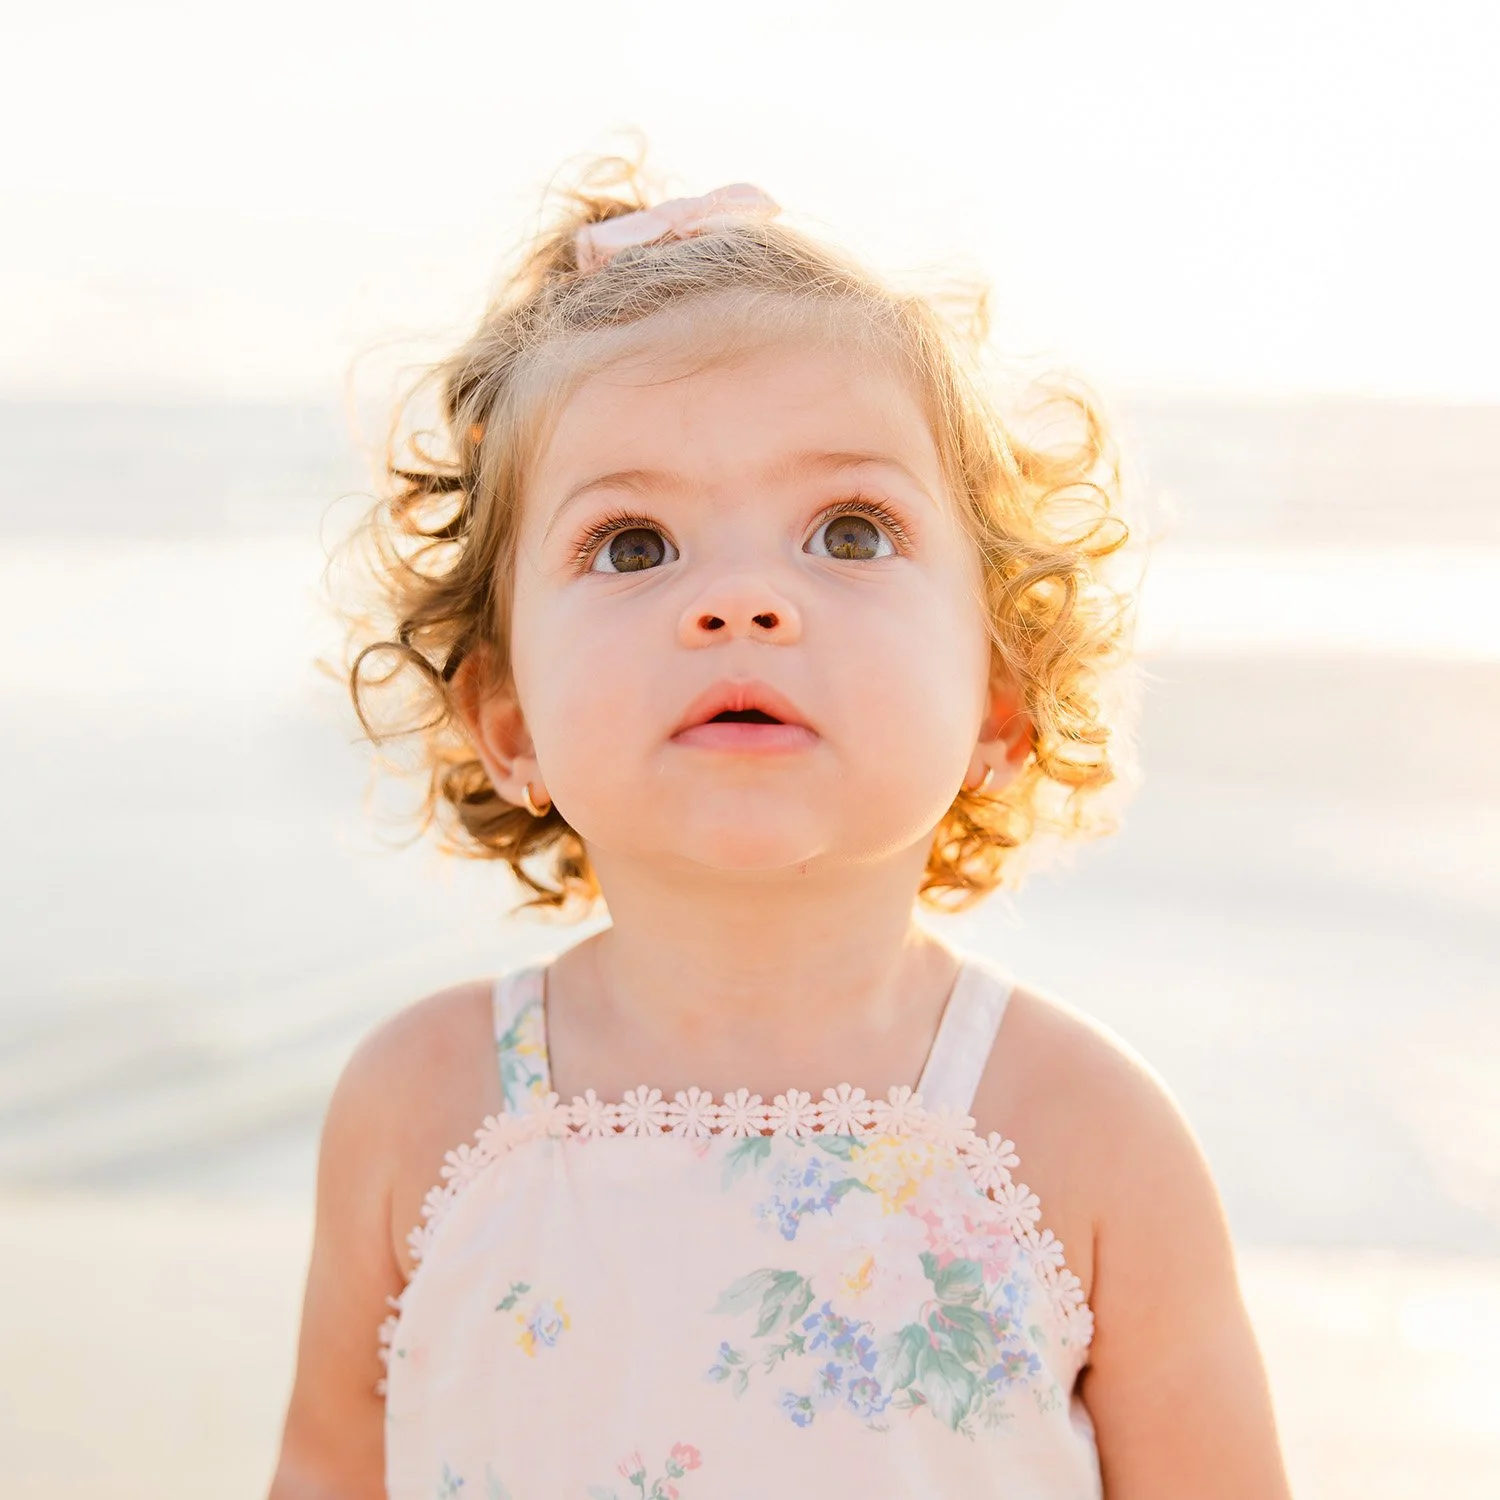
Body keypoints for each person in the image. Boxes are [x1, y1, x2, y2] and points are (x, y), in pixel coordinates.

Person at [269, 158, 1290, 1499]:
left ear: (1000, 691)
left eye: (850, 532)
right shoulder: (423, 1110)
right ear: (507, 718)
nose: (743, 599)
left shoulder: (1083, 1135)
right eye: (634, 545)